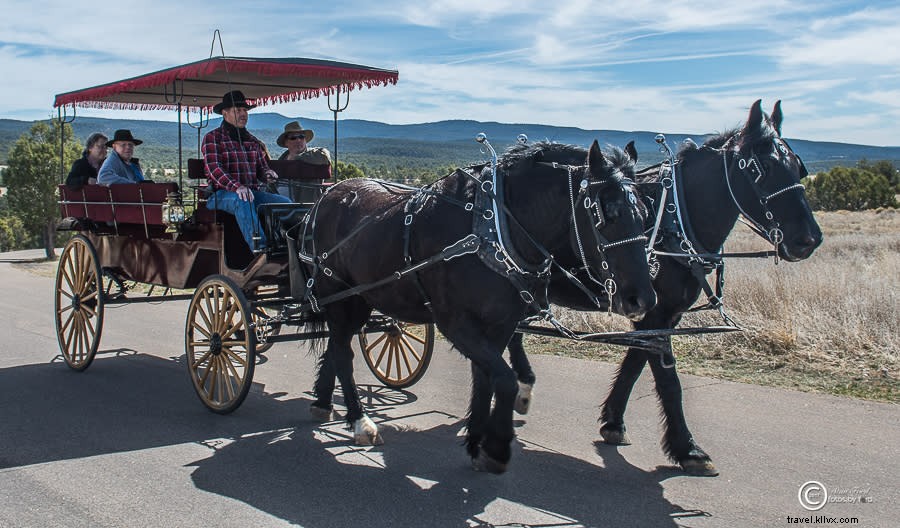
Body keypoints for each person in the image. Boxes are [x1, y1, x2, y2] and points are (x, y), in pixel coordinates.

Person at [202, 90, 291, 251]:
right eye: (238, 110)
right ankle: (261, 250)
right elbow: (214, 169)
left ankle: (291, 245)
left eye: (245, 110)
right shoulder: (213, 138)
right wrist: (237, 187)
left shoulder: (252, 141)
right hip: (220, 195)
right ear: (225, 113)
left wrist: (268, 175)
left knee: (287, 204)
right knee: (242, 200)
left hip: (251, 193)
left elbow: (261, 168)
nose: (243, 114)